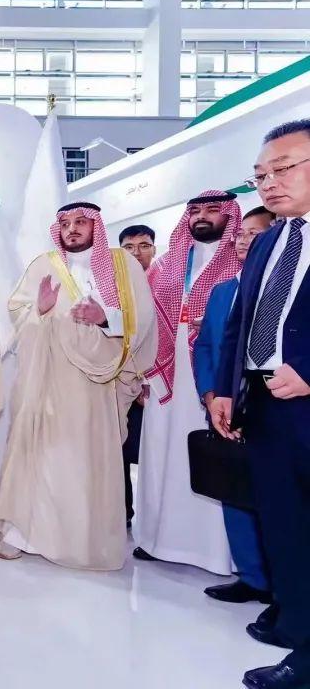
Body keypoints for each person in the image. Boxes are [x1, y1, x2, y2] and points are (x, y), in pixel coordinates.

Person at [0, 201, 156, 570]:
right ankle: (22, 535)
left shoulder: (122, 265)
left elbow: (142, 318)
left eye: (81, 222)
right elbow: (18, 311)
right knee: (39, 457)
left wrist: (105, 318)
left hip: (96, 387)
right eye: (65, 223)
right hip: (47, 380)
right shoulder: (44, 264)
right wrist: (40, 310)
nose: (72, 229)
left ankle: (82, 540)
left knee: (84, 464)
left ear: (96, 225)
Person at [213, 120, 310, 689]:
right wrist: (227, 388)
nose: (269, 183)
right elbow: (240, 321)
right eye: (260, 175)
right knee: (286, 528)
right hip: (267, 409)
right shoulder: (270, 240)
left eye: (284, 168)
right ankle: (298, 630)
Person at [135, 190, 242, 574]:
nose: (202, 216)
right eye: (195, 210)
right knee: (163, 454)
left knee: (210, 457)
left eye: (212, 210)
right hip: (165, 377)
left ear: (229, 215)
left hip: (214, 378)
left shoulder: (241, 263)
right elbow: (145, 318)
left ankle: (216, 553)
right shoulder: (166, 265)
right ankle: (157, 539)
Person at [193, 206, 275, 606]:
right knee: (234, 490)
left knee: (276, 497)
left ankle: (282, 585)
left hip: (270, 407)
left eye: (254, 233)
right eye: (240, 234)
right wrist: (211, 395)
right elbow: (206, 345)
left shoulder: (281, 287)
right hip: (225, 408)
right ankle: (252, 577)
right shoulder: (223, 291)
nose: (243, 240)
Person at [117, 223, 156, 526]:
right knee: (118, 451)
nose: (136, 253)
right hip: (119, 383)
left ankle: (157, 523)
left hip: (157, 385)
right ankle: (123, 514)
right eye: (128, 248)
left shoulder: (164, 282)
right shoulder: (113, 288)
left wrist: (149, 379)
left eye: (143, 246)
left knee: (154, 456)